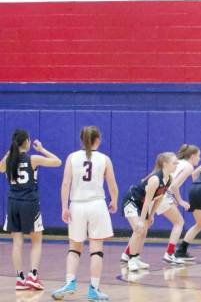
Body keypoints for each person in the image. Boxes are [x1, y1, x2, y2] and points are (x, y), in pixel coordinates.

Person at [51, 126, 119, 301]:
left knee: (74, 248)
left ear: (82, 140)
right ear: (98, 140)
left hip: (77, 206)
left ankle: (69, 282)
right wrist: (114, 200)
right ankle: (94, 289)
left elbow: (65, 184)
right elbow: (112, 185)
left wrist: (64, 207)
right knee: (96, 250)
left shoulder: (72, 157)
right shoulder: (105, 159)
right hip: (97, 205)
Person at [0, 129, 61, 291]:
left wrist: (8, 153)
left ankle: (19, 279)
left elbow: (0, 169)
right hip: (29, 203)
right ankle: (33, 276)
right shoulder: (32, 158)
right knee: (36, 240)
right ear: (26, 141)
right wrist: (42, 149)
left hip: (13, 203)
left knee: (17, 242)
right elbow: (57, 162)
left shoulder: (8, 161)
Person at [121, 152, 177, 272]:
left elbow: (159, 198)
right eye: (174, 163)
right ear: (165, 164)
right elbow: (147, 200)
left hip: (142, 203)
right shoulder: (155, 179)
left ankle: (136, 257)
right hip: (132, 200)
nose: (176, 165)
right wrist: (141, 220)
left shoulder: (169, 179)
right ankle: (130, 260)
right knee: (138, 228)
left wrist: (151, 215)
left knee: (144, 231)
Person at [152, 144, 201, 264]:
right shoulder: (188, 166)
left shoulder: (179, 162)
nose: (199, 159)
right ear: (193, 156)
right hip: (162, 192)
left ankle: (128, 255)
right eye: (199, 156)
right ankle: (169, 254)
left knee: (145, 224)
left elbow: (170, 183)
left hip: (158, 190)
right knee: (179, 222)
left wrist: (172, 197)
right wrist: (180, 200)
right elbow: (173, 185)